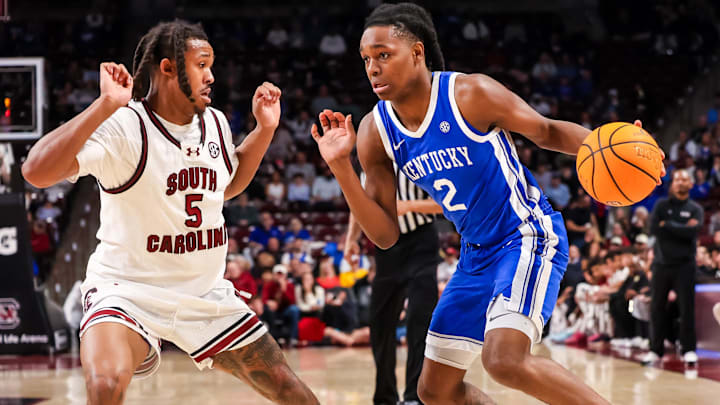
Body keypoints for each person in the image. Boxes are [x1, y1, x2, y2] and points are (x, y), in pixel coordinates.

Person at [311, 3, 663, 404]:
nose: (373, 68)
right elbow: (386, 235)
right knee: (434, 391)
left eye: (383, 55)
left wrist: (614, 146)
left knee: (504, 360)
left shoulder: (469, 93)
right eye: (366, 59)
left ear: (417, 53)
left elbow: (545, 131)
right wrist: (341, 167)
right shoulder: (375, 131)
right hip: (474, 255)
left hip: (526, 235)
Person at [21, 20, 317, 405]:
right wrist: (105, 104)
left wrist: (263, 130)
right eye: (202, 65)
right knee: (105, 385)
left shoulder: (215, 123)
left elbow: (224, 186)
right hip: (126, 290)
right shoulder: (125, 127)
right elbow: (36, 171)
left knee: (297, 395)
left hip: (204, 294)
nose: (212, 76)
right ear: (168, 68)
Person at [345, 168, 442, 405]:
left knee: (419, 317)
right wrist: (351, 238)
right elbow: (359, 204)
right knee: (380, 322)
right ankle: (385, 396)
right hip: (387, 245)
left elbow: (443, 204)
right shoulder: (370, 163)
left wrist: (410, 206)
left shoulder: (420, 156)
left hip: (421, 241)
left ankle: (414, 396)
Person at [642, 170, 703, 367]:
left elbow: (693, 232)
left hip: (685, 265)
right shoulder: (661, 205)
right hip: (661, 264)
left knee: (687, 310)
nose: (680, 182)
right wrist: (681, 228)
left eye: (685, 179)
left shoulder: (695, 208)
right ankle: (655, 350)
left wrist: (667, 225)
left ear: (691, 184)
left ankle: (689, 350)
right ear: (672, 184)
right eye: (677, 179)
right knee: (657, 308)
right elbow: (654, 229)